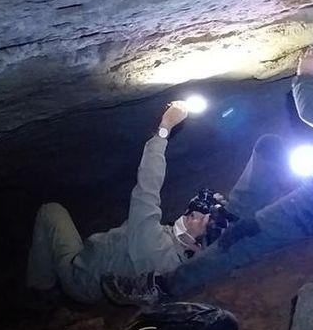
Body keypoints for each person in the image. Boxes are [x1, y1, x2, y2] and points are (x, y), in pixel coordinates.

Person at [102, 11, 313, 305]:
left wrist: (304, 76)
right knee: (269, 148)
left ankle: (161, 287)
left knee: (246, 236)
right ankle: (231, 214)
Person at [26, 100, 208, 303]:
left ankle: (41, 289)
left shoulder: (155, 246)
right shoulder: (174, 254)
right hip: (101, 276)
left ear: (196, 247)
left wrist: (165, 127)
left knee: (50, 211)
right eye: (206, 212)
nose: (199, 214)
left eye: (202, 222)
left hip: (81, 278)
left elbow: (148, 186)